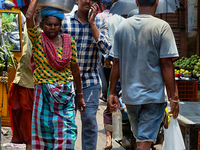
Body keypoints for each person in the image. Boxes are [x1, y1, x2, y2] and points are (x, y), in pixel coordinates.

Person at [108, 0, 179, 150]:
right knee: (144, 142)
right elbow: (167, 64)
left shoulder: (123, 27)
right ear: (157, 2)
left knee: (141, 138)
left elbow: (116, 63)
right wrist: (174, 97)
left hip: (130, 97)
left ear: (136, 2)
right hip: (153, 96)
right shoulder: (162, 27)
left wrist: (112, 92)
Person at [26, 0, 86, 149]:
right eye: (49, 24)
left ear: (60, 25)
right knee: (44, 137)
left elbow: (75, 69)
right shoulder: (38, 40)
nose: (52, 27)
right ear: (41, 25)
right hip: (44, 96)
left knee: (67, 137)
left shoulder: (69, 42)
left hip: (65, 98)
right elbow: (28, 16)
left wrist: (80, 95)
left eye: (56, 25)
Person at [62, 0, 112, 149]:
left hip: (90, 80)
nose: (88, 1)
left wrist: (92, 24)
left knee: (90, 121)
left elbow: (106, 50)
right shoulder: (64, 20)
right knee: (66, 123)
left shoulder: (100, 22)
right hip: (66, 80)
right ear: (77, 0)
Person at [8, 23, 34, 150]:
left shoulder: (51, 23)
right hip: (25, 80)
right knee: (25, 117)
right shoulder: (27, 23)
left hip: (43, 83)